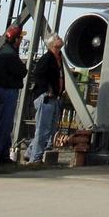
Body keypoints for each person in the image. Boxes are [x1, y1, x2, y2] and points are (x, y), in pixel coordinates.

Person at [0, 25, 26, 165]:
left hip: (1, 90)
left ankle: (3, 154)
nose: (21, 41)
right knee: (4, 124)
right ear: (16, 39)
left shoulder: (2, 52)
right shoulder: (10, 54)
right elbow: (22, 72)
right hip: (8, 91)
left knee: (6, 124)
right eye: (20, 38)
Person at [26, 32, 64, 163]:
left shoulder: (58, 57)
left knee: (50, 129)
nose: (61, 39)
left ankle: (30, 152)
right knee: (43, 128)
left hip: (54, 98)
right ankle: (35, 158)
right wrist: (46, 90)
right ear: (52, 43)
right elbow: (37, 74)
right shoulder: (47, 58)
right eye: (58, 38)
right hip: (46, 98)